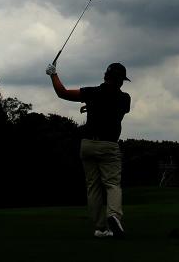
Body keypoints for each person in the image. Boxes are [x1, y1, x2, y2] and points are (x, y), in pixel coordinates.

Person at [47, 61, 131, 238]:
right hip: (109, 145)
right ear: (121, 81)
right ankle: (113, 215)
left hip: (88, 145)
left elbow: (62, 93)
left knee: (93, 187)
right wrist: (92, 106)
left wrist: (53, 74)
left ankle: (101, 228)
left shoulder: (92, 93)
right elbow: (112, 111)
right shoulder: (125, 99)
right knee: (112, 184)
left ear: (105, 76)